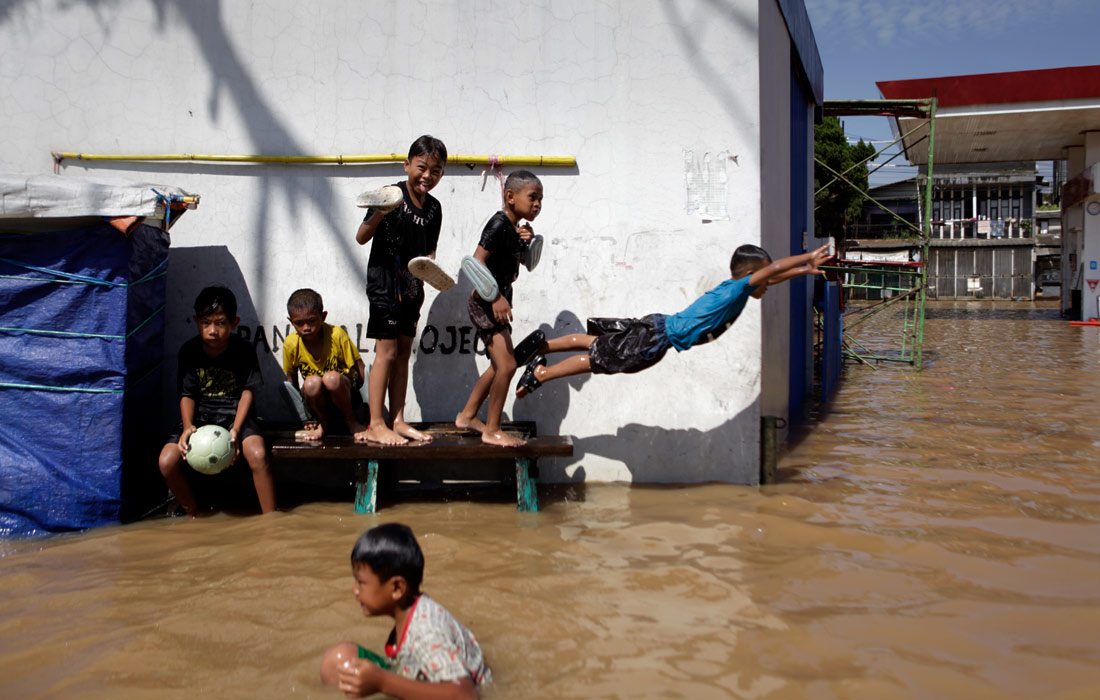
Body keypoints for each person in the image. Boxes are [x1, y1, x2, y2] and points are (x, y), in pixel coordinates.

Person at [515, 243, 833, 398]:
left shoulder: (734, 289)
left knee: (599, 344)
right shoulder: (738, 290)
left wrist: (804, 272)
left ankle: (543, 345)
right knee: (600, 359)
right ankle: (541, 372)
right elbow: (771, 272)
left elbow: (772, 277)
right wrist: (806, 258)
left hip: (656, 325)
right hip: (656, 338)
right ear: (751, 276)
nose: (767, 287)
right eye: (761, 281)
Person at [320, 523, 492, 699]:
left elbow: (466, 695)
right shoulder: (409, 611)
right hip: (425, 678)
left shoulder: (426, 632)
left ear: (396, 588)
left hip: (456, 690)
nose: (354, 590)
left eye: (361, 583)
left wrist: (382, 682)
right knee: (337, 661)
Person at [355, 135, 448, 445]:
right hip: (384, 284)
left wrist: (430, 267)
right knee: (387, 353)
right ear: (407, 165)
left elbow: (429, 253)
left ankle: (397, 420)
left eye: (435, 171)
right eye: (422, 167)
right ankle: (375, 424)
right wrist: (381, 210)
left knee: (403, 355)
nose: (427, 176)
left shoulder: (434, 209)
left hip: (412, 288)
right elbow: (361, 236)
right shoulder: (390, 195)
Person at [157, 285, 277, 517]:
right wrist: (188, 427)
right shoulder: (188, 351)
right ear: (196, 321)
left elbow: (248, 393)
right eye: (206, 323)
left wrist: (236, 429)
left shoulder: (244, 350)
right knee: (167, 460)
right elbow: (187, 394)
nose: (213, 330)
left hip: (236, 415)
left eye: (220, 323)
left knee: (258, 454)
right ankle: (194, 514)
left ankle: (271, 519)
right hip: (201, 417)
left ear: (234, 323)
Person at [454, 170, 543, 446]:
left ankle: (468, 416)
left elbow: (526, 264)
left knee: (498, 365)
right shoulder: (498, 224)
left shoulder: (514, 229)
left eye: (541, 199)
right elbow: (475, 261)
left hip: (497, 303)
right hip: (485, 303)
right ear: (510, 196)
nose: (537, 204)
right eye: (532, 197)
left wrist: (525, 243)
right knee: (508, 365)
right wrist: (494, 298)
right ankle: (492, 429)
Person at [283, 288, 367, 440]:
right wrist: (303, 416)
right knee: (311, 383)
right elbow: (292, 380)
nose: (306, 328)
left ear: (323, 316)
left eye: (312, 321)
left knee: (331, 379)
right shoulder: (291, 344)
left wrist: (367, 409)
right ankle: (324, 423)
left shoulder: (337, 335)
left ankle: (350, 421)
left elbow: (360, 370)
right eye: (299, 323)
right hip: (318, 404)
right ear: (291, 321)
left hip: (346, 397)